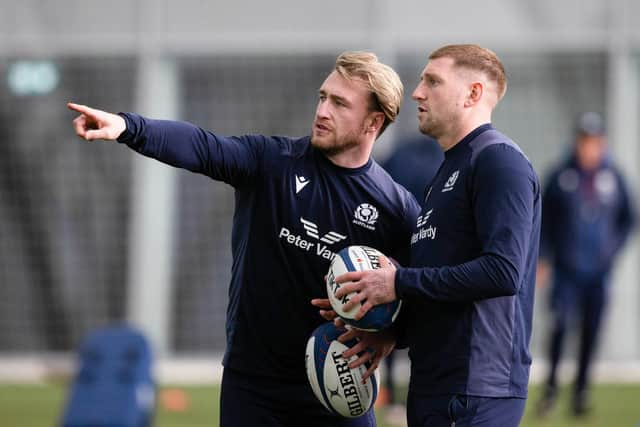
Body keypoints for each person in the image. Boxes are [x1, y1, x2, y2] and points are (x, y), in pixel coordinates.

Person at [67, 51, 421, 427]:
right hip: (254, 386)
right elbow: (203, 147)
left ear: (373, 122)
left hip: (341, 385)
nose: (322, 111)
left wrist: (392, 336)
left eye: (339, 103)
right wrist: (127, 127)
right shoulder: (273, 163)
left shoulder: (396, 209)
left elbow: (425, 293)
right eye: (322, 97)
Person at [327, 44, 541, 427]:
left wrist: (397, 281)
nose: (417, 92)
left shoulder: (498, 161)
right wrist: (391, 334)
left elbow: (503, 272)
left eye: (433, 81)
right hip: (433, 383)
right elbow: (441, 281)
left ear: (473, 94)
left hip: (476, 389)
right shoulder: (445, 172)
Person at [536, 112, 636, 417]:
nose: (589, 148)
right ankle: (551, 389)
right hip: (566, 271)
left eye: (594, 142)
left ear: (602, 144)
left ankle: (581, 391)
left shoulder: (614, 177)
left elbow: (629, 218)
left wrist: (611, 251)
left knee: (591, 331)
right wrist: (543, 257)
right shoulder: (561, 176)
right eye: (584, 141)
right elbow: (543, 221)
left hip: (598, 273)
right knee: (560, 326)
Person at [377, 135, 443, 426]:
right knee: (425, 329)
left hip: (395, 254)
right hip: (429, 257)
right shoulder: (449, 162)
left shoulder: (398, 156)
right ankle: (404, 394)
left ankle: (391, 394)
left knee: (390, 322)